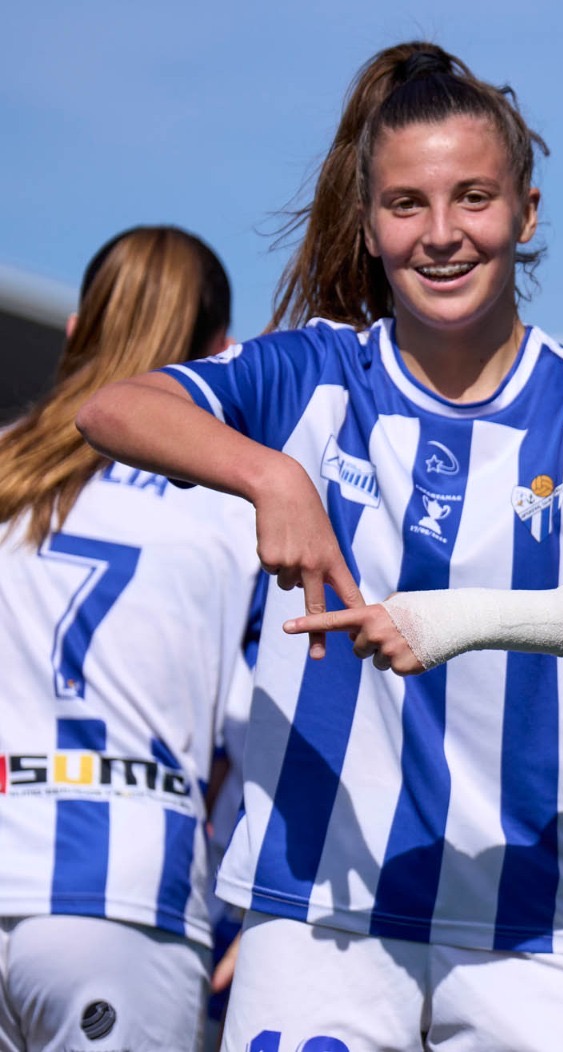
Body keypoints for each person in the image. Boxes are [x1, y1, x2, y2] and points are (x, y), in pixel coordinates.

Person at [78, 41, 563, 1052]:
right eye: (407, 204)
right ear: (369, 224)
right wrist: (270, 473)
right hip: (316, 911)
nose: (443, 234)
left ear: (526, 214)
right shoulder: (315, 373)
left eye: (474, 199)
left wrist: (460, 619)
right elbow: (114, 405)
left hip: (534, 927)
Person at [0, 226, 257, 1051]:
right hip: (119, 902)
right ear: (220, 353)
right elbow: (269, 734)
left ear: (77, 332)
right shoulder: (239, 507)